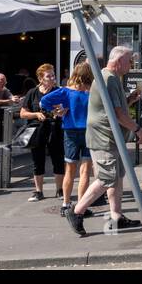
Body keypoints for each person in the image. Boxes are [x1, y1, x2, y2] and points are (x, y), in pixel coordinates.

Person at [65, 46, 142, 237]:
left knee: (116, 177)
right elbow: (117, 114)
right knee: (106, 178)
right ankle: (76, 211)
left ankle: (116, 217)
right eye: (129, 61)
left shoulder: (110, 77)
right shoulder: (109, 79)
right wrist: (138, 129)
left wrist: (129, 100)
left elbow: (112, 108)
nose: (131, 65)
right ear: (119, 61)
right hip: (104, 138)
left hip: (111, 138)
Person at [41, 62, 95, 215]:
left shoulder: (65, 92)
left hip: (70, 132)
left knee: (70, 169)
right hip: (88, 131)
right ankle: (81, 207)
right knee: (85, 171)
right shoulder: (92, 92)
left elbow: (44, 101)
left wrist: (56, 111)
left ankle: (65, 204)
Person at [19, 64, 66, 202]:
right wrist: (36, 114)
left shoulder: (59, 91)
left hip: (55, 129)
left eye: (53, 75)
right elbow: (23, 114)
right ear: (40, 78)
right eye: (48, 76)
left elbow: (66, 110)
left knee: (58, 159)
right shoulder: (32, 93)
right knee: (37, 160)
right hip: (37, 130)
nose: (52, 78)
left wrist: (60, 112)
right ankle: (38, 191)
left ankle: (60, 190)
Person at [0, 72, 20, 142]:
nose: (4, 84)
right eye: (2, 82)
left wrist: (15, 98)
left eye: (5, 82)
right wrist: (9, 100)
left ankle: (1, 139)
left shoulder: (3, 88)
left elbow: (10, 95)